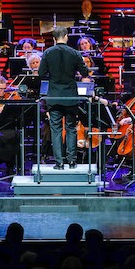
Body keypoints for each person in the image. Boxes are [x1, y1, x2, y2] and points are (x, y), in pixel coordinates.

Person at [39, 26, 90, 170]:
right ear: (66, 36)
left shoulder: (48, 53)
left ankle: (59, 163)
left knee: (56, 129)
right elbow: (85, 72)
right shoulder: (75, 53)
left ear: (54, 39)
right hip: (70, 96)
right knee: (71, 128)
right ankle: (72, 161)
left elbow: (41, 73)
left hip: (54, 96)